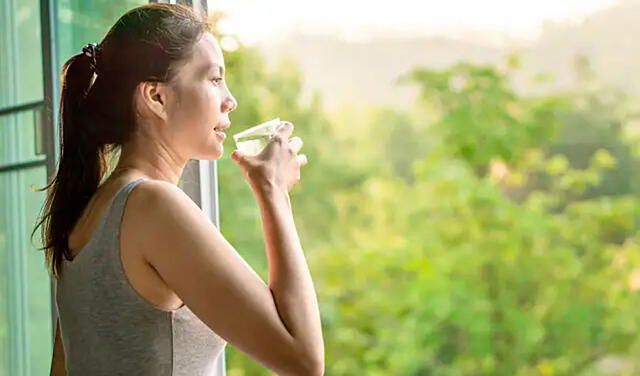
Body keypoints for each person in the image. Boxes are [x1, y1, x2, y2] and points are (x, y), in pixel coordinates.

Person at [33, 3, 324, 375]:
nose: (229, 99)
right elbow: (304, 360)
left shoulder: (91, 210)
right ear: (156, 97)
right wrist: (273, 191)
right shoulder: (152, 205)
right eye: (215, 79)